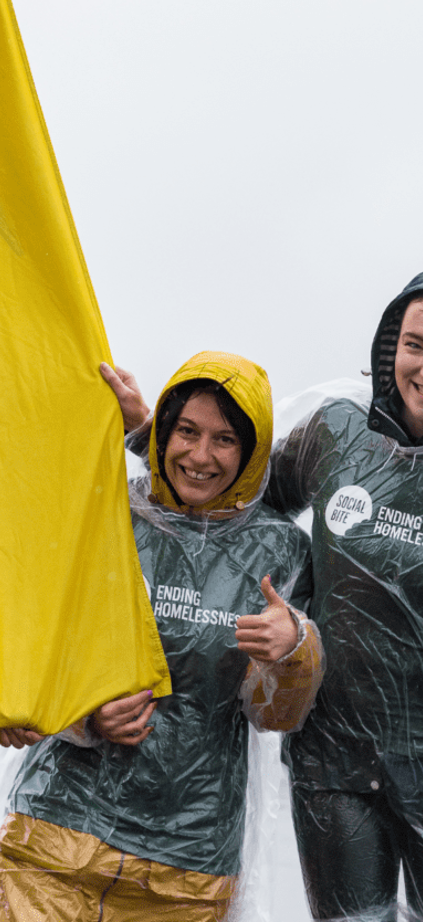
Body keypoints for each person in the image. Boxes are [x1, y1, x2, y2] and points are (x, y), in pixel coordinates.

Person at [0, 351, 323, 921]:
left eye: (224, 440)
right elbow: (30, 650)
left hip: (184, 870)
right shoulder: (107, 513)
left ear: (252, 451)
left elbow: (276, 716)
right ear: (162, 432)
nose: (199, 455)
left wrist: (293, 650)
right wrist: (84, 715)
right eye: (186, 431)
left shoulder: (280, 550)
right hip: (53, 840)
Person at [263, 271, 423, 921]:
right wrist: (142, 435)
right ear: (392, 349)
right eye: (417, 344)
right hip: (335, 760)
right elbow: (243, 502)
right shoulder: (337, 431)